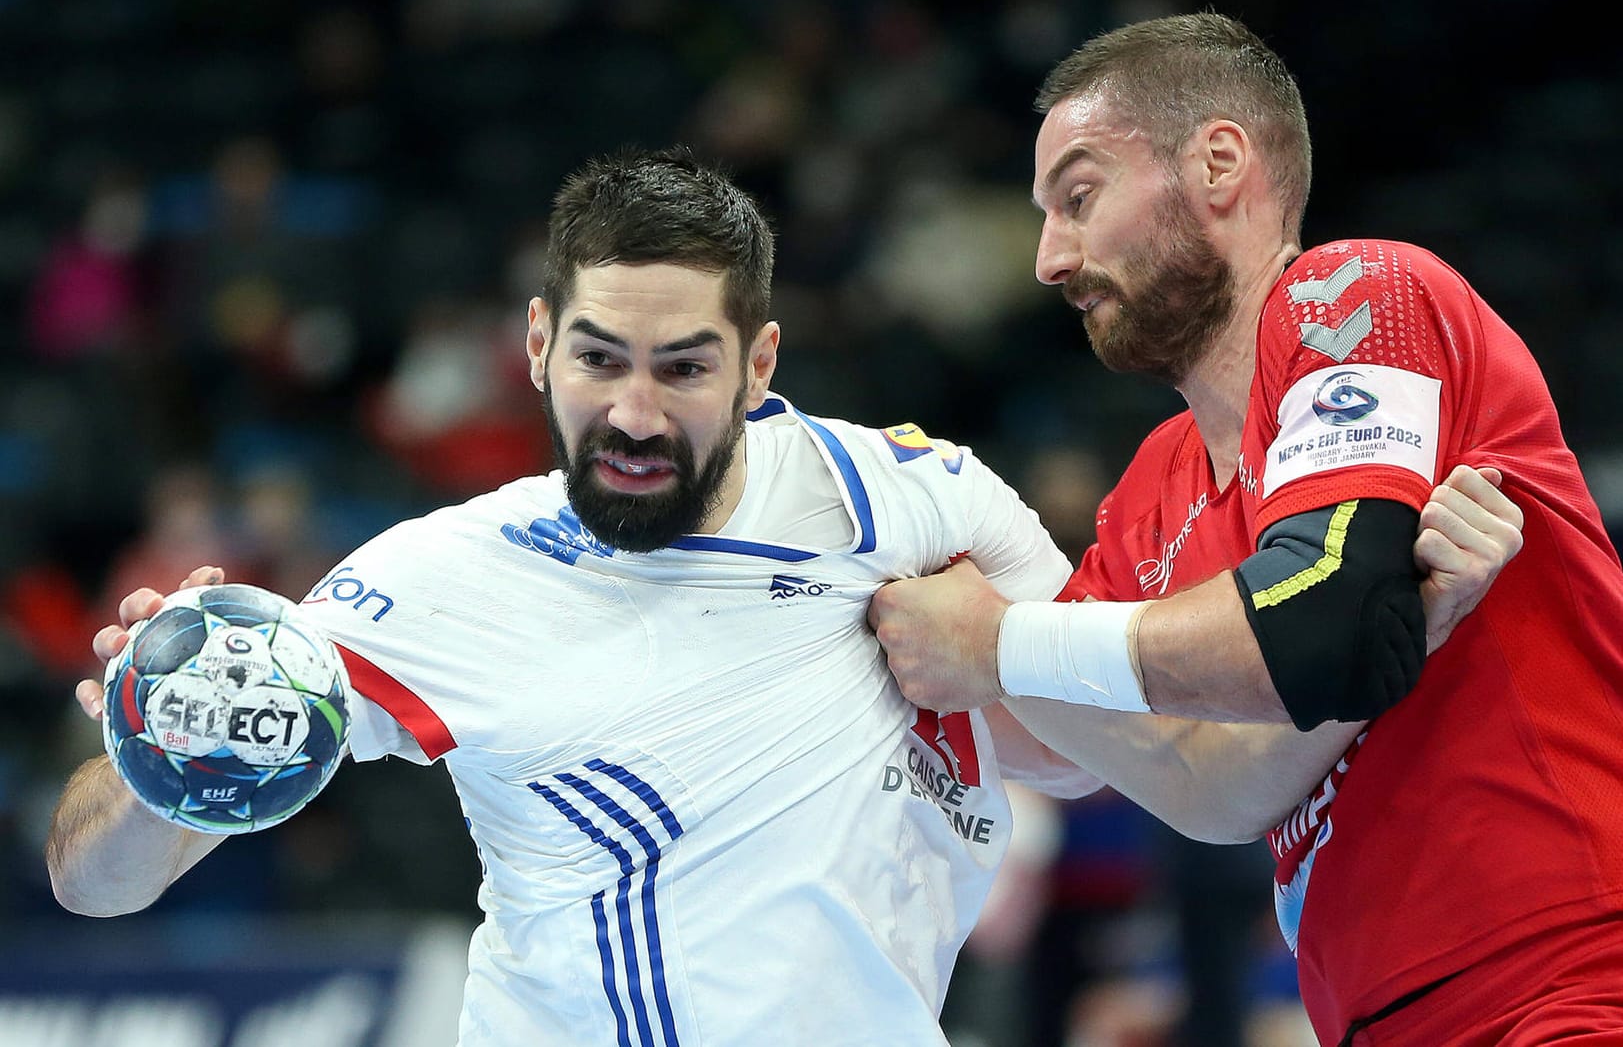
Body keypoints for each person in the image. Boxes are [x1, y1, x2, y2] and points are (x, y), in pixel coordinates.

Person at [47, 146, 1515, 1047]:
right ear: (540, 342)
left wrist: (1403, 617)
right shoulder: (436, 579)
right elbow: (96, 882)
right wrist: (168, 737)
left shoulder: (912, 500)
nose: (632, 409)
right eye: (598, 357)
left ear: (755, 365)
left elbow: (1156, 765)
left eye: (681, 366)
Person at [868, 12, 1623, 1045]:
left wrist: (995, 640)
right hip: (1377, 1016)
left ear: (1220, 163)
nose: (1049, 258)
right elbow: (1199, 784)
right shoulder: (1147, 493)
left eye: (1079, 198)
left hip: (1571, 971)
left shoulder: (1356, 294)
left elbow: (1322, 618)